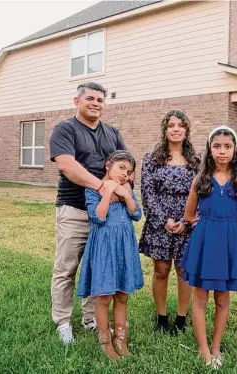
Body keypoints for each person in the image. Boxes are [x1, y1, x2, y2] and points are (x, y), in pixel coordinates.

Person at [49, 82, 131, 344]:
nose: (96, 103)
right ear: (77, 101)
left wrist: (123, 189)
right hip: (74, 209)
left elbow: (125, 167)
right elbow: (67, 165)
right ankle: (63, 322)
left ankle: (89, 317)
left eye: (100, 100)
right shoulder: (65, 129)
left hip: (107, 214)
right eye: (90, 99)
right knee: (67, 267)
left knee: (98, 267)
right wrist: (102, 186)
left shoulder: (112, 133)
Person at [180, 125, 237, 368]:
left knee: (223, 299)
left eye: (228, 146)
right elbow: (189, 215)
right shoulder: (200, 179)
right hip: (204, 241)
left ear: (236, 149)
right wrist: (208, 224)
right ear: (210, 149)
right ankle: (203, 349)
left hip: (228, 244)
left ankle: (216, 346)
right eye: (217, 146)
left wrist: (228, 226)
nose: (222, 151)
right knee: (200, 297)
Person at [77, 150, 144, 361]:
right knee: (105, 296)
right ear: (108, 165)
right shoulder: (93, 189)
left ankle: (121, 339)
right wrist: (107, 192)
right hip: (105, 247)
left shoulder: (126, 189)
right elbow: (98, 217)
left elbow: (136, 214)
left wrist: (125, 195)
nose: (125, 174)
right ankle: (105, 341)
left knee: (122, 295)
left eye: (130, 171)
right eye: (121, 168)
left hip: (124, 247)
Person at [139, 110, 200, 334]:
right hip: (160, 221)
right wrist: (164, 220)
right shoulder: (152, 159)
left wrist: (188, 221)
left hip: (188, 220)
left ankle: (182, 319)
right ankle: (161, 317)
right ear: (164, 130)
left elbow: (203, 192)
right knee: (161, 270)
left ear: (186, 130)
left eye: (180, 125)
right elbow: (147, 192)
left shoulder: (197, 161)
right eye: (171, 125)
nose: (176, 129)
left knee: (184, 270)